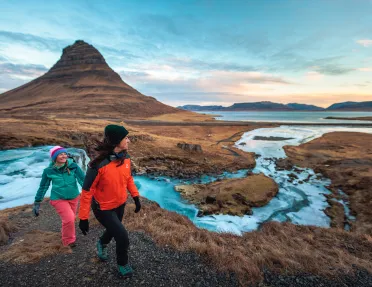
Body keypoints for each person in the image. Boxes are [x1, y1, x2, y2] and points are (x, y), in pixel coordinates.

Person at [78, 124, 141, 279]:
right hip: (103, 209)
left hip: (120, 204)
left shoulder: (126, 158)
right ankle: (122, 264)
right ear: (116, 141)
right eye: (126, 138)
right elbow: (86, 192)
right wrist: (83, 218)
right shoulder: (98, 165)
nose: (129, 140)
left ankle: (101, 243)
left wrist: (136, 197)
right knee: (122, 237)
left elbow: (128, 179)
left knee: (114, 230)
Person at [33, 146, 85, 247]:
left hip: (74, 197)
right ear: (55, 157)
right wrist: (37, 202)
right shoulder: (48, 171)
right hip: (58, 198)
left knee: (70, 219)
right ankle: (68, 241)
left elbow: (83, 180)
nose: (64, 156)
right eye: (61, 154)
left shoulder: (73, 166)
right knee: (69, 219)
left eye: (65, 153)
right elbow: (43, 187)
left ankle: (66, 233)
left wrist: (92, 194)